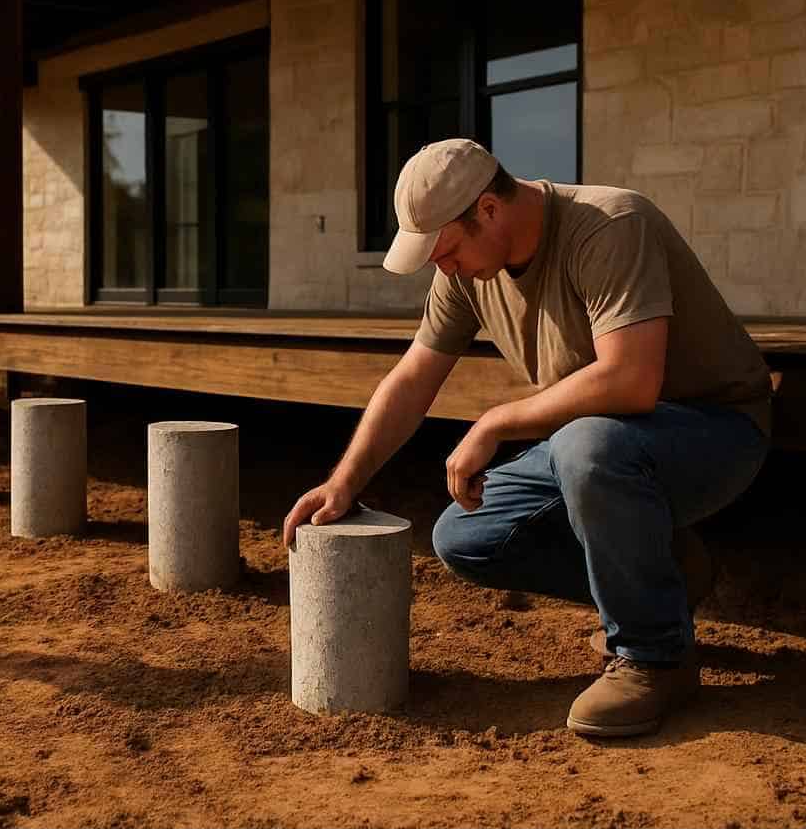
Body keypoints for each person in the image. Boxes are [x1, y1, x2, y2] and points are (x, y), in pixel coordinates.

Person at [282, 138, 772, 737]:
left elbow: (632, 380)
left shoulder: (610, 224)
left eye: (447, 251)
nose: (444, 268)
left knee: (586, 444)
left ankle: (655, 656)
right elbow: (413, 377)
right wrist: (344, 481)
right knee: (468, 535)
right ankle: (667, 572)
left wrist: (495, 421)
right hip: (604, 444)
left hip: (713, 429)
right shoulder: (467, 273)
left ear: (488, 209)